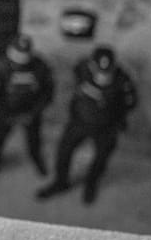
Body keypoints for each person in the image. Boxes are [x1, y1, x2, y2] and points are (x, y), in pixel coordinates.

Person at [37, 45, 138, 205]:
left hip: (106, 127)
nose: (103, 77)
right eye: (99, 71)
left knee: (100, 159)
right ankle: (60, 183)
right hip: (79, 122)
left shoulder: (123, 81)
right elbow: (73, 84)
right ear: (91, 65)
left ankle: (91, 184)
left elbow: (130, 103)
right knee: (64, 152)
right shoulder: (81, 69)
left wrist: (116, 119)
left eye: (107, 72)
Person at [0, 34, 55, 179]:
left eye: (24, 55)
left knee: (34, 141)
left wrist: (35, 112)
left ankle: (37, 160)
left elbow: (48, 92)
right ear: (10, 51)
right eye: (18, 55)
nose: (21, 60)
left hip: (31, 111)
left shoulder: (40, 66)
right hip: (6, 112)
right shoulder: (0, 65)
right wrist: (0, 113)